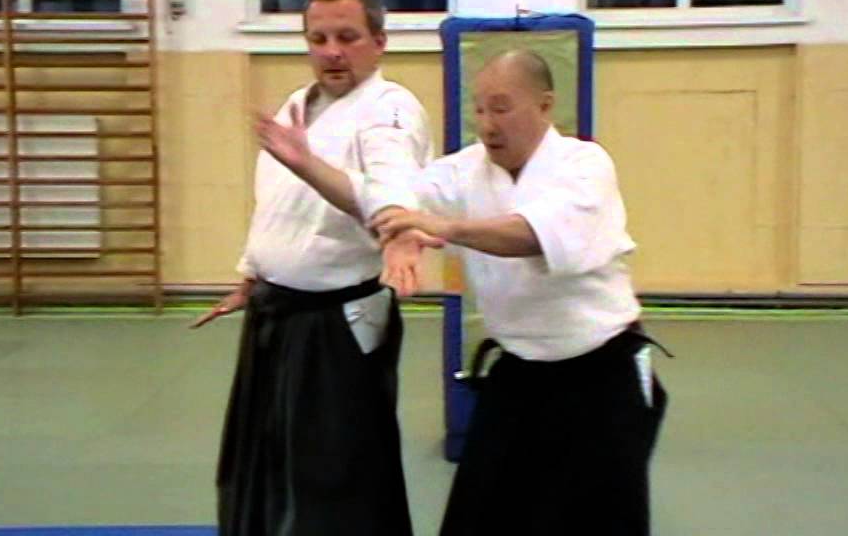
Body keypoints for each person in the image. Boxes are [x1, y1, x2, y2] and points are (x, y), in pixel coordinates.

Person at [255, 48, 669, 535]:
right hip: (520, 371)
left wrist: (444, 227)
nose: (487, 123)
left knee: (596, 520)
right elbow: (383, 199)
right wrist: (309, 166)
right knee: (479, 515)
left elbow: (530, 235)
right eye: (478, 109)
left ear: (545, 104)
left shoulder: (584, 164)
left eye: (501, 107)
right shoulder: (466, 170)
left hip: (601, 374)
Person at [192, 0, 435, 536]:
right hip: (276, 313)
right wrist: (251, 276)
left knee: (335, 471)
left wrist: (400, 231)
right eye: (318, 38)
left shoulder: (390, 109)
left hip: (337, 324)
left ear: (380, 41)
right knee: (262, 459)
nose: (331, 51)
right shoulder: (298, 106)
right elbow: (278, 206)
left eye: (347, 36)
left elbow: (391, 186)